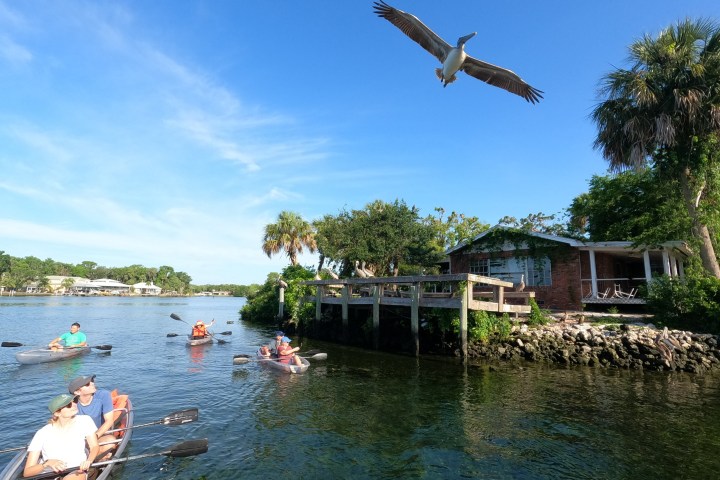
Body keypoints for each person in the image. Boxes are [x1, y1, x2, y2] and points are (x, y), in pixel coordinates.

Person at [23, 393, 100, 479]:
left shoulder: (85, 420)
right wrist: (47, 463)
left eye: (75, 401)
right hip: (48, 475)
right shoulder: (42, 433)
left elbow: (94, 446)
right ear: (57, 413)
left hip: (77, 470)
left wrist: (89, 461)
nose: (74, 404)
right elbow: (27, 472)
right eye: (69, 405)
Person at [68, 375, 116, 452]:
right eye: (87, 384)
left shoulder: (104, 395)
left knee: (110, 441)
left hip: (99, 434)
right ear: (77, 392)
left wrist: (94, 437)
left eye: (92, 381)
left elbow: (109, 420)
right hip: (80, 438)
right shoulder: (71, 405)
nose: (92, 384)